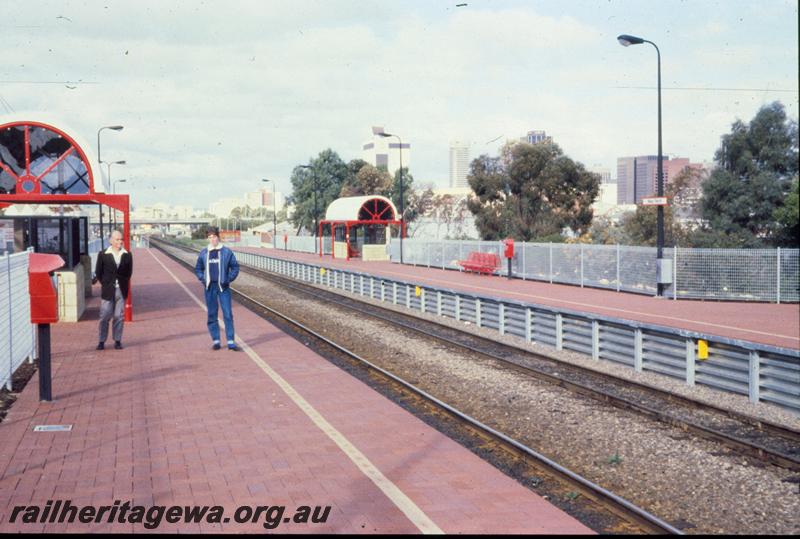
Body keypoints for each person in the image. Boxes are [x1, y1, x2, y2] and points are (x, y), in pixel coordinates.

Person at [195, 227, 240, 351]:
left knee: (228, 314)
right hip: (210, 288)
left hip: (223, 287)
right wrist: (203, 279)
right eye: (209, 237)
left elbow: (235, 267)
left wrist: (228, 279)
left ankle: (231, 341)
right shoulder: (204, 253)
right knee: (212, 314)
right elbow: (198, 268)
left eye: (214, 237)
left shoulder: (226, 252)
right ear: (207, 239)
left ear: (218, 237)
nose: (212, 239)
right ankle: (216, 341)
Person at [94, 230, 133, 350]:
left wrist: (122, 284)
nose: (119, 242)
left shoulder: (127, 255)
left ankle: (117, 340)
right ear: (110, 240)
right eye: (117, 239)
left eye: (121, 239)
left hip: (121, 290)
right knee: (105, 315)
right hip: (107, 290)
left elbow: (128, 273)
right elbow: (98, 272)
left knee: (119, 316)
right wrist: (106, 283)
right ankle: (101, 341)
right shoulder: (103, 254)